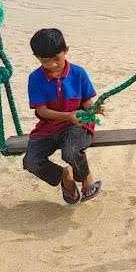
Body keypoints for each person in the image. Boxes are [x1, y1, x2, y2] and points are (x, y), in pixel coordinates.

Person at [22, 28, 102, 204]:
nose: (52, 65)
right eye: (45, 61)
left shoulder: (78, 73)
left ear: (66, 50)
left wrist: (94, 110)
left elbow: (87, 102)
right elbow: (42, 111)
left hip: (77, 125)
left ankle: (87, 179)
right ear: (37, 58)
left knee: (71, 151)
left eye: (56, 59)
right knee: (31, 161)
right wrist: (67, 116)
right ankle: (65, 177)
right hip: (49, 127)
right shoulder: (35, 78)